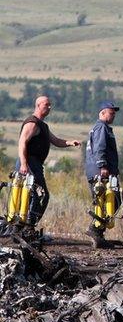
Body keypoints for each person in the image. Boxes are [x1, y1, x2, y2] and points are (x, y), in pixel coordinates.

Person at [16, 96, 81, 225]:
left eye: (50, 105)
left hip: (36, 164)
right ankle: (26, 226)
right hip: (29, 163)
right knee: (38, 195)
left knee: (40, 195)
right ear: (38, 106)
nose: (50, 107)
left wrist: (69, 142)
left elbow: (56, 141)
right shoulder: (32, 123)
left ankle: (28, 225)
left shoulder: (42, 125)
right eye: (46, 105)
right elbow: (22, 142)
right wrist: (24, 164)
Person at [84, 101, 120, 248]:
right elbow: (100, 147)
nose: (113, 116)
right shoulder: (101, 127)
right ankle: (95, 230)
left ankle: (98, 234)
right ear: (102, 113)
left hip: (102, 171)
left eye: (114, 113)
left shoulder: (103, 128)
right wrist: (103, 166)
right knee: (109, 200)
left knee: (108, 201)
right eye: (111, 113)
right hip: (101, 171)